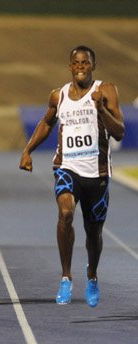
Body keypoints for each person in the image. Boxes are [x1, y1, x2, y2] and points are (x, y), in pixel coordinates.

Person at [19, 46, 125, 307]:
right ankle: (66, 276)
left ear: (93, 66)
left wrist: (101, 110)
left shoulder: (106, 90)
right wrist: (28, 150)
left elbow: (120, 131)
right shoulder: (59, 95)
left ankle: (92, 276)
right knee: (65, 214)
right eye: (76, 63)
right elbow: (46, 122)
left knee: (94, 232)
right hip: (67, 167)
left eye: (85, 63)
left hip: (97, 172)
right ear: (70, 66)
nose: (81, 67)